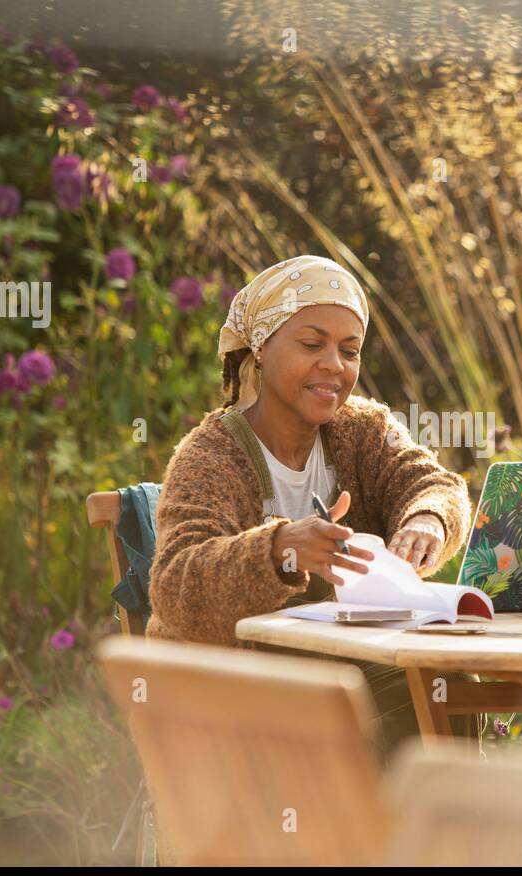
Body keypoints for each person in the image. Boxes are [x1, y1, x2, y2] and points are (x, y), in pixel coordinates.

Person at [147, 254, 477, 760]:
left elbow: (431, 482)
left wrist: (429, 517)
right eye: (311, 344)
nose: (334, 365)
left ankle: (434, 834)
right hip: (226, 694)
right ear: (260, 347)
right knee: (399, 691)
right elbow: (175, 585)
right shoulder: (210, 456)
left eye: (350, 350)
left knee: (447, 681)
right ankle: (403, 835)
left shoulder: (362, 430)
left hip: (338, 670)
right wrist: (279, 549)